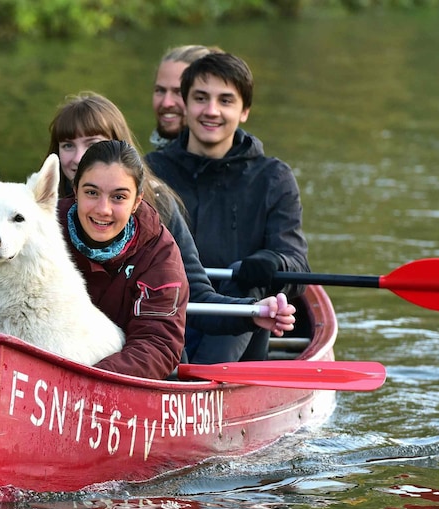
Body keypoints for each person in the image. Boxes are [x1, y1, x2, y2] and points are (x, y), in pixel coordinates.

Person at [48, 92, 297, 364]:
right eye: (67, 145)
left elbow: (195, 295)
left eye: (93, 143)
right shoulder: (37, 215)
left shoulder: (158, 220)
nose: (78, 157)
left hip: (139, 359)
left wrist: (252, 311)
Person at [145, 52, 311, 363]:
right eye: (200, 98)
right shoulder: (151, 171)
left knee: (247, 281)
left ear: (244, 110)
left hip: (241, 331)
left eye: (225, 101)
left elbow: (298, 266)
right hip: (168, 318)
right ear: (185, 103)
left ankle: (199, 381)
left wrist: (272, 261)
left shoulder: (274, 177)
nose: (211, 111)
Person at [59, 139, 188, 379]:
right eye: (91, 193)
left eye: (118, 197)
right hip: (37, 370)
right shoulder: (39, 228)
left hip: (111, 380)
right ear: (75, 191)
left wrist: (87, 380)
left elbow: (157, 343)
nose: (103, 209)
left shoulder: (160, 254)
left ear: (137, 201)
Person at [151, 44, 223, 150]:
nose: (166, 103)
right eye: (160, 90)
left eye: (179, 92)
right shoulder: (148, 161)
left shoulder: (239, 162)